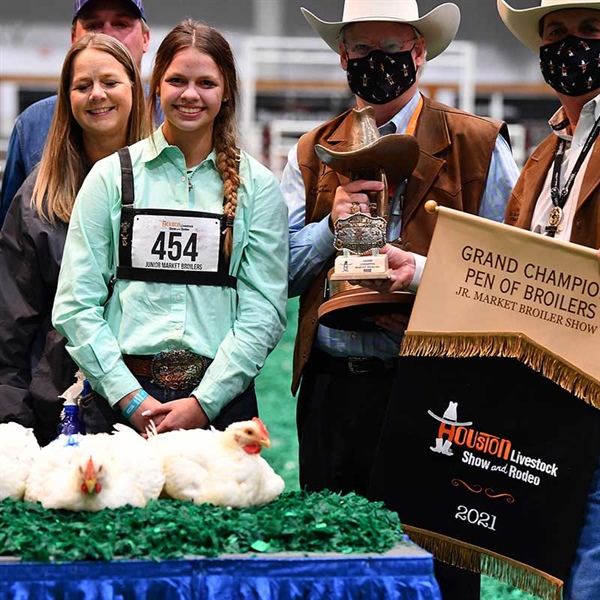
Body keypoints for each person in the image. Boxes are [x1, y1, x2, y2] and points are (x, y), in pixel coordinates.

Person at [282, 1, 520, 597]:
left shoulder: (477, 143)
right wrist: (328, 229)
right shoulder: (310, 150)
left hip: (438, 390)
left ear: (419, 52)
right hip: (334, 388)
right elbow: (277, 270)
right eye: (363, 50)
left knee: (443, 571)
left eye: (391, 50)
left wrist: (421, 275)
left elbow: (511, 276)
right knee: (335, 568)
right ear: (343, 57)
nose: (377, 62)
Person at [52, 19, 289, 436]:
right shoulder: (110, 177)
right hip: (119, 405)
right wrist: (130, 397)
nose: (190, 94)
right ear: (157, 85)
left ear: (227, 91)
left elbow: (264, 311)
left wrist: (205, 401)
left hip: (222, 407)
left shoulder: (259, 188)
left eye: (206, 83)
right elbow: (76, 305)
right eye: (177, 80)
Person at [497, 2, 599, 599]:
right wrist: (422, 272)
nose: (572, 46)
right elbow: (513, 269)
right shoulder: (543, 155)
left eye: (590, 31)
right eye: (556, 33)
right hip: (553, 389)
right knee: (566, 553)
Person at [0, 33, 148, 446]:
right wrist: (13, 426)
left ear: (134, 89)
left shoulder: (170, 184)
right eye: (83, 85)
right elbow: (11, 323)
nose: (97, 94)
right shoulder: (38, 198)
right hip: (59, 411)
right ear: (67, 99)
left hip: (152, 405)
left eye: (110, 82)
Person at [0, 0, 151, 228]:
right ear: (74, 38)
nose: (107, 35)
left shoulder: (171, 121)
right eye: (93, 25)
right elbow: (11, 230)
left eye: (121, 24)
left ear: (146, 38)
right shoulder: (32, 125)